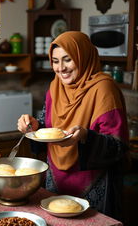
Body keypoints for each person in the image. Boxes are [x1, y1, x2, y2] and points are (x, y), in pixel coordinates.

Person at [17, 31, 129, 220]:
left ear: (82, 56)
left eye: (68, 60)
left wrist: (86, 136)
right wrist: (35, 126)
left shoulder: (104, 89)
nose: (61, 68)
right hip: (56, 180)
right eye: (55, 61)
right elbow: (49, 126)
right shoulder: (55, 87)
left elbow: (118, 147)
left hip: (94, 184)